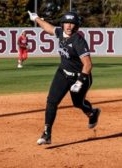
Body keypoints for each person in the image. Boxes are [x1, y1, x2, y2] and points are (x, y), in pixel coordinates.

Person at [27, 10, 101, 145]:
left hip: (80, 76)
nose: (68, 26)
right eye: (66, 22)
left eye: (72, 23)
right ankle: (47, 134)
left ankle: (92, 113)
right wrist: (36, 18)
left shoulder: (78, 41)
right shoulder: (61, 33)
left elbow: (88, 65)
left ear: (76, 26)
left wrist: (79, 82)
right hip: (63, 72)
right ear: (62, 24)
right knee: (51, 101)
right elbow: (48, 28)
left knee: (78, 103)